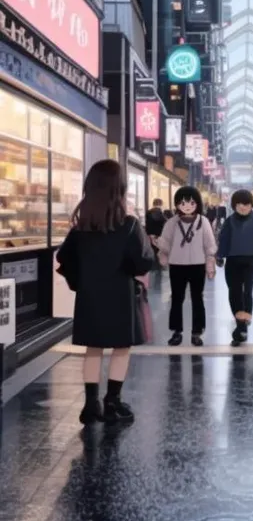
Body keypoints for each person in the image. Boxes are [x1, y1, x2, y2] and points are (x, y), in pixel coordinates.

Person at [56, 159, 155, 426]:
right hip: (121, 296)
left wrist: (81, 283)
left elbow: (64, 259)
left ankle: (90, 405)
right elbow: (144, 261)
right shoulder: (130, 225)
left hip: (90, 297)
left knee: (93, 349)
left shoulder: (81, 228)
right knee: (121, 349)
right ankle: (113, 402)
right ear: (119, 188)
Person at [158, 186, 216, 347]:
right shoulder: (172, 222)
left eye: (191, 202)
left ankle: (197, 332)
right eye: (182, 202)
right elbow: (165, 242)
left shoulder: (203, 221)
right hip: (177, 264)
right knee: (177, 298)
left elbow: (209, 244)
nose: (187, 206)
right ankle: (177, 331)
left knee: (198, 298)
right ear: (177, 204)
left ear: (197, 203)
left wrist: (210, 265)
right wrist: (163, 255)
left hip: (198, 264)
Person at [216, 189, 253, 346]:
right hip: (232, 261)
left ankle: (243, 324)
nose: (243, 207)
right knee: (234, 291)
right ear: (234, 205)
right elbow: (223, 240)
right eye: (239, 204)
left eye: (246, 204)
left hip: (251, 260)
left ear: (251, 205)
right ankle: (241, 323)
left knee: (247, 291)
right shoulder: (229, 221)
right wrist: (219, 257)